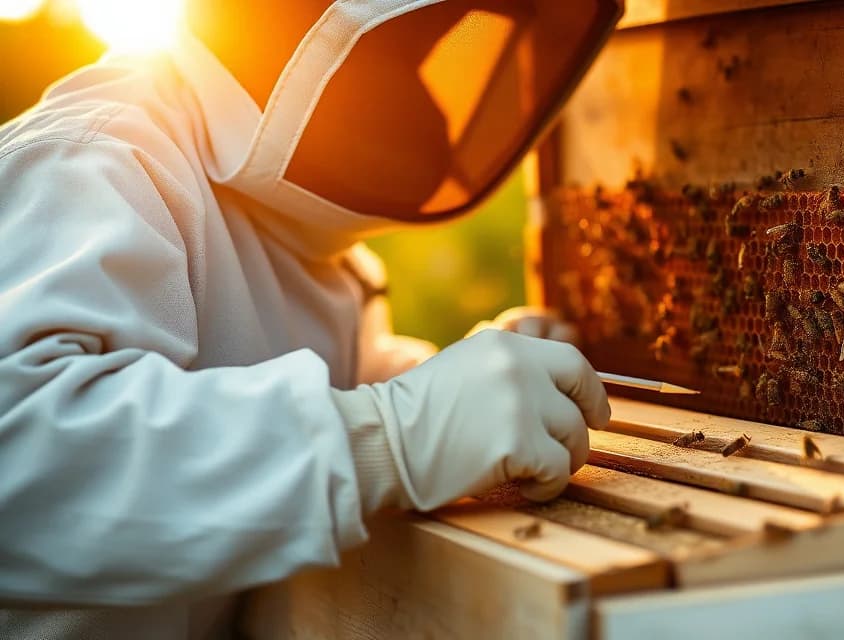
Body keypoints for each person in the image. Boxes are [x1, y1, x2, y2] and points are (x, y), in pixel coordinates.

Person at [0, 0, 624, 637]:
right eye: (405, 38)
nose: (412, 96)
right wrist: (391, 434)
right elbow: (21, 460)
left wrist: (458, 380)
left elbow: (325, 378)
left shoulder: (301, 231)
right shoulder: (93, 161)